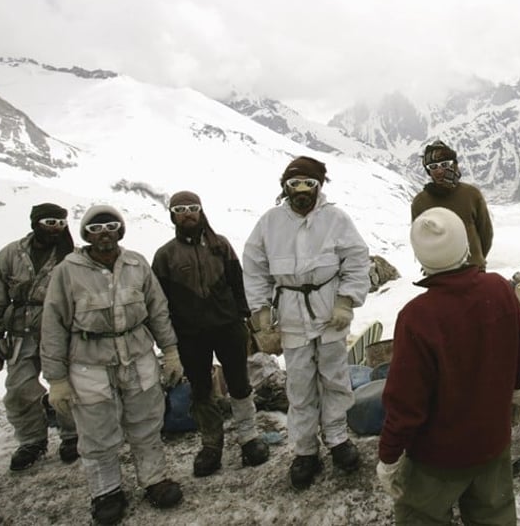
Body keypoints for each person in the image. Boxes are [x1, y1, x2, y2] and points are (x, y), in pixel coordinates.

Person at [377, 207, 520, 524]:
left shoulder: (418, 317)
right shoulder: (500, 290)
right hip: (492, 442)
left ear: (422, 258)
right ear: (465, 247)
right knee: (495, 515)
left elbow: (406, 402)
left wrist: (389, 457)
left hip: (437, 458)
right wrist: (518, 393)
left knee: (421, 516)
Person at [41, 205, 186, 525]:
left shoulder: (136, 264)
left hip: (137, 355)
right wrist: (57, 379)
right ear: (86, 234)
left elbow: (157, 309)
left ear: (120, 230)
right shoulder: (68, 270)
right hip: (89, 362)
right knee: (96, 430)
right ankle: (106, 491)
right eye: (96, 228)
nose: (104, 232)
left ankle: (154, 480)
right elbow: (53, 324)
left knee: (146, 423)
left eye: (110, 225)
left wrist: (171, 351)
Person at [243, 156, 371, 490]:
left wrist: (346, 301)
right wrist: (260, 317)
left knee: (335, 377)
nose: (301, 192)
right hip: (290, 312)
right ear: (284, 188)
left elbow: (357, 259)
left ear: (319, 186)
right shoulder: (269, 223)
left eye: (308, 185)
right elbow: (255, 268)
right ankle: (305, 450)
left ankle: (338, 438)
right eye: (294, 185)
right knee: (299, 383)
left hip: (330, 309)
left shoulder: (336, 219)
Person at [151, 191, 270, 477]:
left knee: (240, 383)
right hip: (190, 335)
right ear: (172, 215)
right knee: (201, 389)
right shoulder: (165, 256)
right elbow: (159, 301)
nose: (188, 213)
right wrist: (168, 340)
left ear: (201, 211)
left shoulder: (221, 245)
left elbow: (238, 283)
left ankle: (248, 437)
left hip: (228, 327)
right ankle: (211, 445)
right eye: (181, 209)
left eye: (193, 208)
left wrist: (244, 318)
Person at [0, 203, 79, 471]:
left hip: (60, 330)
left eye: (60, 222)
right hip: (21, 332)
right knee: (20, 390)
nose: (55, 227)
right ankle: (32, 440)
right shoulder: (12, 254)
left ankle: (73, 435)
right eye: (49, 221)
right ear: (35, 223)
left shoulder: (72, 256)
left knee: (67, 384)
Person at [411, 140, 493, 270]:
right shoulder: (420, 202)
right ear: (428, 171)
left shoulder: (471, 195)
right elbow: (420, 239)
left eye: (444, 164)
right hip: (438, 274)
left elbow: (485, 234)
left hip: (472, 271)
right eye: (433, 167)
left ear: (454, 164)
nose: (439, 171)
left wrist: (475, 259)